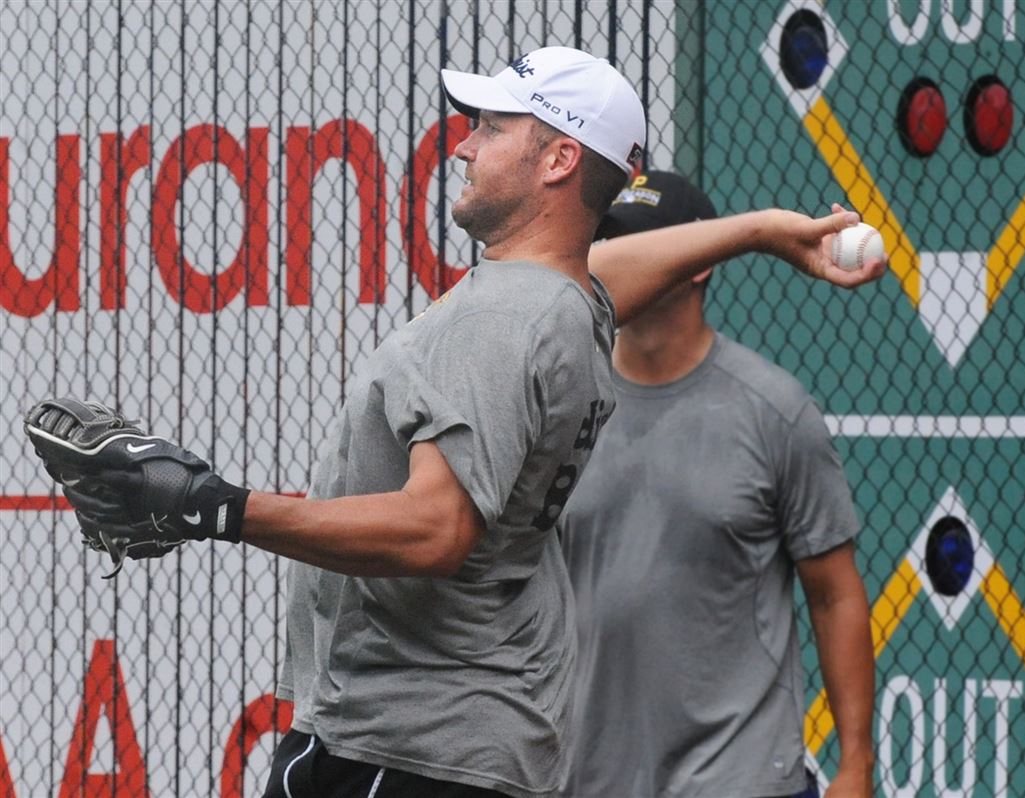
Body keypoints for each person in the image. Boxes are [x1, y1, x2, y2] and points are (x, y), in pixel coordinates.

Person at [32, 49, 884, 798]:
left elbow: (436, 528)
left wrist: (213, 506)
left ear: (556, 160)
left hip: (405, 746)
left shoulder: (510, 318)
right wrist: (762, 231)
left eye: (490, 126)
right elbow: (609, 266)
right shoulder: (561, 303)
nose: (466, 145)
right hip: (463, 741)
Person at [558, 171, 876, 798]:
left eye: (650, 244)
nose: (624, 264)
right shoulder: (562, 406)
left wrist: (855, 766)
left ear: (698, 263)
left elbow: (835, 596)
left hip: (741, 777)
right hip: (584, 776)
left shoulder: (774, 410)